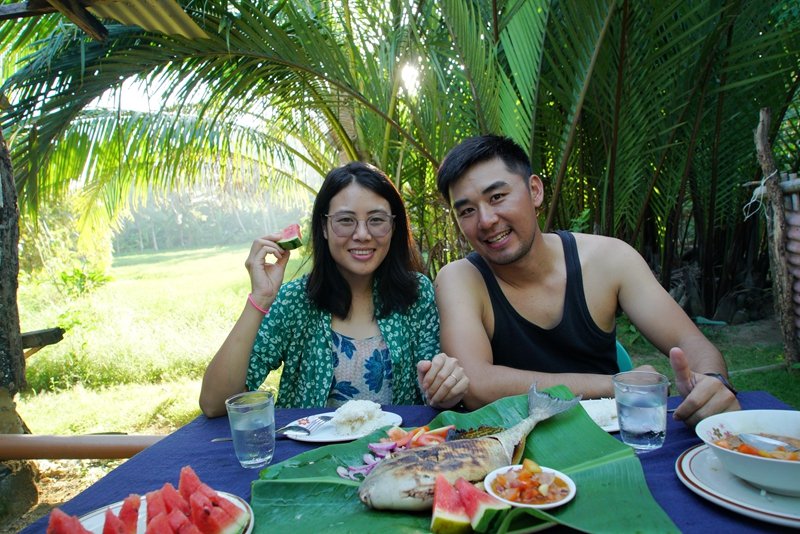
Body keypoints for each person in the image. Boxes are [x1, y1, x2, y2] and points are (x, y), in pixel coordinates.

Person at [434, 134, 739, 426]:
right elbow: (476, 384)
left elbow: (691, 343)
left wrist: (713, 383)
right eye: (467, 211)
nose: (486, 220)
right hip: (511, 450)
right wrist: (616, 385)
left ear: (535, 191)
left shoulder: (608, 259)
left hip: (614, 440)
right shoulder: (461, 279)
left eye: (497, 197)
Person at [200, 161, 468, 416]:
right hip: (309, 449)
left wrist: (445, 389)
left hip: (395, 447)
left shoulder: (417, 294)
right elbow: (214, 404)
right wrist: (260, 299)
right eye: (345, 220)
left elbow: (433, 391)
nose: (362, 234)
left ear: (394, 227)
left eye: (376, 220)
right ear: (324, 227)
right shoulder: (295, 301)